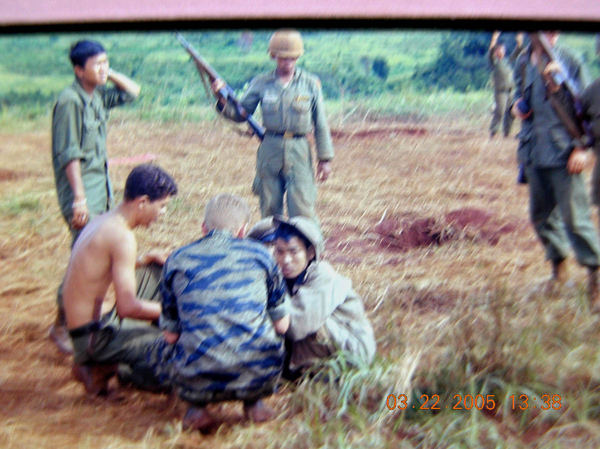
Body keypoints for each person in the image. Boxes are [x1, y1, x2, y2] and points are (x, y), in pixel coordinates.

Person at [150, 194, 291, 432]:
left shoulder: (176, 259)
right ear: (242, 230)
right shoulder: (262, 256)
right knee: (270, 325)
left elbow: (171, 337)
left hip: (196, 378)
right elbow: (282, 326)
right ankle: (255, 403)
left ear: (203, 228)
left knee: (163, 345)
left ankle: (196, 409)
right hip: (258, 373)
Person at [50, 39, 142, 354]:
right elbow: (69, 154)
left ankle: (85, 323)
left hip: (98, 186)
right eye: (96, 64)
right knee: (83, 255)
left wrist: (106, 71)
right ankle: (64, 325)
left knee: (95, 253)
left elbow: (133, 92)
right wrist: (78, 198)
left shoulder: (96, 95)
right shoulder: (70, 101)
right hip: (81, 190)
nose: (103, 68)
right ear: (78, 70)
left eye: (106, 61)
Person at [63, 164, 178, 396]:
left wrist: (145, 258)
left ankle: (104, 359)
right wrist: (176, 312)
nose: (163, 214)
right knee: (179, 360)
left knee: (158, 274)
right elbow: (128, 307)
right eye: (162, 206)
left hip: (88, 326)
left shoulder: (106, 221)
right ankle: (107, 367)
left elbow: (100, 266)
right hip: (96, 336)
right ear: (143, 202)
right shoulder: (122, 237)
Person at [512, 31, 600, 302]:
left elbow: (589, 108)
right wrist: (517, 107)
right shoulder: (523, 61)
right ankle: (559, 271)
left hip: (564, 153)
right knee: (540, 216)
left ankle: (595, 277)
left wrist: (582, 148)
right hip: (535, 150)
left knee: (575, 219)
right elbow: (520, 97)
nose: (548, 34)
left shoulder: (570, 59)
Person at [211, 29, 334, 221]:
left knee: (302, 208)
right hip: (270, 149)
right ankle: (270, 248)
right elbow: (241, 113)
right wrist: (220, 97)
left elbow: (320, 123)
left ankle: (305, 249)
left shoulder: (310, 84)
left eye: (292, 58)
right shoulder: (261, 83)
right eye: (283, 58)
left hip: (299, 149)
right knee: (269, 208)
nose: (288, 62)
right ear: (274, 56)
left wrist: (325, 159)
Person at [271, 216, 376, 379]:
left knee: (299, 322)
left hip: (353, 350)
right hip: (328, 343)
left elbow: (295, 326)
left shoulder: (322, 275)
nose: (285, 260)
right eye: (280, 251)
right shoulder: (281, 275)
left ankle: (311, 371)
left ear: (310, 252)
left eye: (294, 251)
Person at [488, 31, 523, 139]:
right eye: (500, 49)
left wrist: (519, 41)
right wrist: (494, 38)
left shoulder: (507, 60)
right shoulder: (494, 62)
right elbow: (490, 51)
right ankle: (493, 133)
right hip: (501, 92)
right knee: (500, 112)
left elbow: (517, 52)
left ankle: (507, 133)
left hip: (510, 91)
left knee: (511, 113)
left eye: (503, 49)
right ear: (496, 51)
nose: (502, 51)